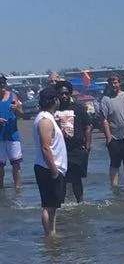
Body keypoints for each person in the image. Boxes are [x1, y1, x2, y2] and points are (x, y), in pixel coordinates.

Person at [33, 86, 67, 236]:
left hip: (52, 167)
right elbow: (45, 147)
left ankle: (52, 233)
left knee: (53, 206)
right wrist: (54, 170)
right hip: (48, 168)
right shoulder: (45, 120)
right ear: (54, 100)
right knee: (48, 206)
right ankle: (49, 235)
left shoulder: (48, 117)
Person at [54, 81, 91, 203]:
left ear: (70, 93)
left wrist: (88, 146)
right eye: (61, 94)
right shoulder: (54, 110)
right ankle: (61, 206)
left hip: (76, 149)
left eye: (66, 93)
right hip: (59, 150)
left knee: (76, 180)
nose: (63, 96)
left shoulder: (79, 108)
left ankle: (81, 204)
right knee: (61, 180)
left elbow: (88, 126)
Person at [100, 74, 124, 188]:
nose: (113, 85)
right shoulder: (106, 99)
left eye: (115, 82)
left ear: (119, 83)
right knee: (115, 164)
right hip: (114, 137)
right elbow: (104, 119)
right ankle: (114, 188)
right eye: (111, 83)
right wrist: (108, 137)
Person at [0, 74, 23, 188]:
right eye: (0, 83)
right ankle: (1, 190)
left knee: (16, 164)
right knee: (0, 166)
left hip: (13, 136)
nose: (2, 85)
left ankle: (18, 189)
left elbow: (21, 114)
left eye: (3, 82)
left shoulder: (13, 96)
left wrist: (17, 108)